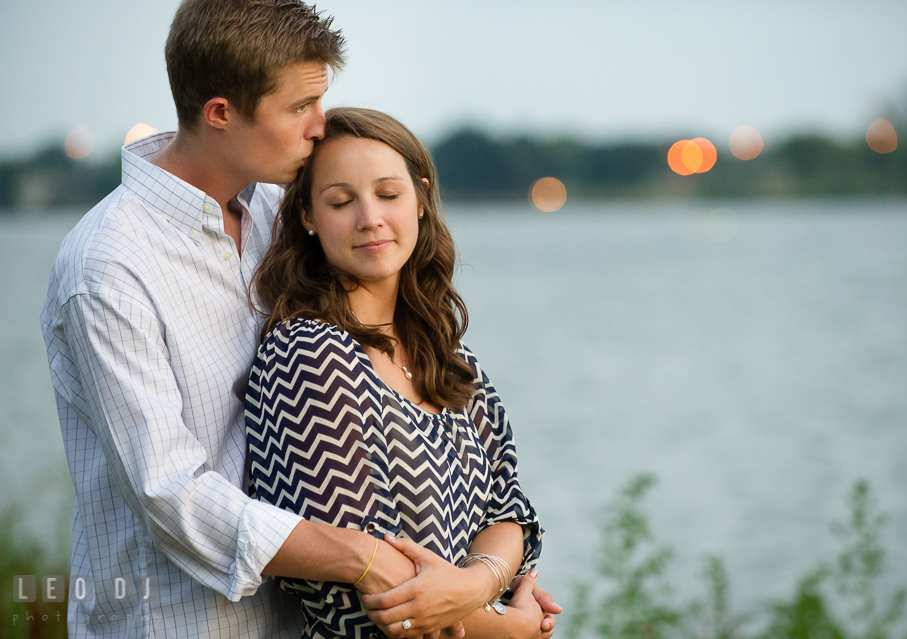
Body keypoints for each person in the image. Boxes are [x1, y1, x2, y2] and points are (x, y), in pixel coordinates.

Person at [41, 1, 560, 637]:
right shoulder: (109, 267)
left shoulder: (272, 212)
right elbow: (166, 493)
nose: (319, 127)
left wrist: (480, 582)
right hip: (177, 620)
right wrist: (376, 566)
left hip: (292, 621)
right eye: (299, 108)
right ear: (221, 113)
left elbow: (498, 491)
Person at [245, 107, 555, 639]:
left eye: (389, 194)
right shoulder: (308, 354)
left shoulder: (450, 356)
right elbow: (360, 600)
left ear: (420, 198)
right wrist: (515, 626)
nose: (370, 217)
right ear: (308, 217)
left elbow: (512, 514)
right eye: (341, 201)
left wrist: (476, 586)